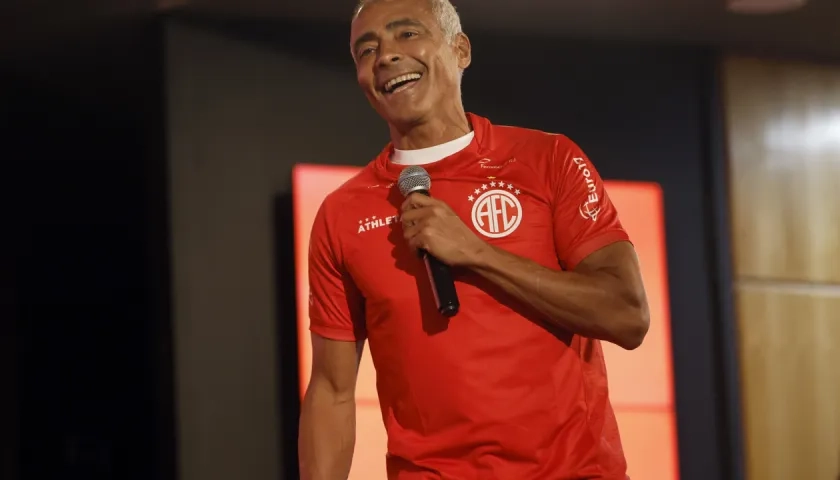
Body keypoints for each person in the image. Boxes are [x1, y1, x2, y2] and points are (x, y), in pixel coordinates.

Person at [298, 0, 651, 478]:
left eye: (406, 34)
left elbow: (628, 315)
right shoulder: (343, 212)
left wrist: (478, 255)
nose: (385, 56)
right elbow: (332, 391)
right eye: (367, 50)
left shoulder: (548, 160)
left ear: (460, 50)